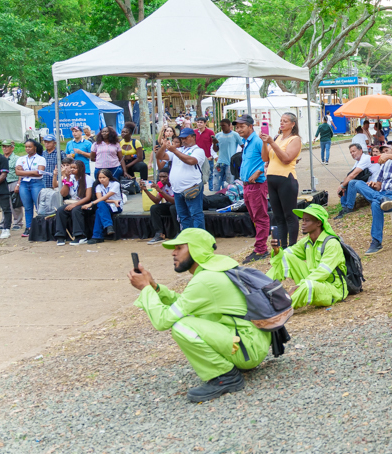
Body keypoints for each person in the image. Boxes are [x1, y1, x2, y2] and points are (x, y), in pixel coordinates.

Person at [129, 228, 272, 402]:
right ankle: (230, 366)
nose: (173, 253)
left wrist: (145, 289)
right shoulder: (213, 271)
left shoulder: (205, 280)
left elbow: (163, 321)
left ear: (196, 249)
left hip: (247, 349)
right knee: (191, 317)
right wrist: (154, 287)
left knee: (181, 326)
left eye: (179, 248)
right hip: (250, 344)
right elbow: (184, 303)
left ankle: (226, 376)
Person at [339, 135, 392, 254]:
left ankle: (376, 242)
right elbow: (379, 185)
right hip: (384, 194)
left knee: (376, 203)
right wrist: (373, 185)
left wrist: (390, 156)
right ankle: (381, 200)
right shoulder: (386, 164)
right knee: (356, 183)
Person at [267, 203, 347, 309]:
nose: (303, 223)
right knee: (285, 258)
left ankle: (277, 309)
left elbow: (322, 273)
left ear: (319, 223)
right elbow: (285, 255)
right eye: (302, 220)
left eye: (307, 220)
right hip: (312, 279)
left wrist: (299, 286)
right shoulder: (306, 242)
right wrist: (277, 250)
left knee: (308, 286)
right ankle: (261, 290)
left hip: (332, 288)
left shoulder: (332, 244)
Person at [262, 113, 302, 250]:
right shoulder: (278, 138)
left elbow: (286, 158)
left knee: (289, 215)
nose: (282, 123)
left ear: (293, 124)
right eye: (281, 121)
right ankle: (283, 246)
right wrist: (265, 142)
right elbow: (265, 157)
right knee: (278, 216)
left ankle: (292, 246)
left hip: (286, 179)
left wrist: (272, 143)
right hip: (272, 179)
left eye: (285, 121)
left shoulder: (295, 139)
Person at [234, 114, 270, 264]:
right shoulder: (246, 142)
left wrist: (259, 171)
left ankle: (261, 249)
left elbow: (268, 159)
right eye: (237, 127)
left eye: (242, 126)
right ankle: (260, 247)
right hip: (247, 186)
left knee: (260, 217)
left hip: (257, 185)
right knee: (255, 217)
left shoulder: (257, 141)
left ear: (250, 126)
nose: (239, 129)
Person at [159, 127, 207, 232]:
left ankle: (199, 238)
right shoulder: (179, 150)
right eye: (182, 138)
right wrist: (163, 146)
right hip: (177, 189)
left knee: (195, 214)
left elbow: (191, 161)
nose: (183, 140)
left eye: (186, 138)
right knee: (183, 215)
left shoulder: (198, 150)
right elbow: (160, 156)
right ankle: (188, 237)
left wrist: (174, 150)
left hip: (192, 187)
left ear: (193, 137)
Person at [55, 158, 93, 245]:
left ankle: (80, 236)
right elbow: (63, 194)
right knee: (60, 210)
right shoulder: (70, 178)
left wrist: (74, 205)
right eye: (71, 167)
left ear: (81, 169)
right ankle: (60, 236)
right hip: (73, 202)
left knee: (76, 210)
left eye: (74, 168)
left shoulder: (88, 179)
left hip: (84, 203)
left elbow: (88, 197)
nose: (72, 169)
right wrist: (67, 179)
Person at [15, 139, 46, 234]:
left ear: (35, 147)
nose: (27, 149)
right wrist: (32, 172)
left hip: (36, 183)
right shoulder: (21, 159)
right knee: (27, 207)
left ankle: (41, 227)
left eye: (30, 147)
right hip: (24, 183)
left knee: (39, 206)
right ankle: (28, 227)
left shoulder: (41, 159)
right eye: (26, 147)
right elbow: (17, 172)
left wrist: (23, 172)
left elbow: (39, 173)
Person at [85, 168, 122, 243]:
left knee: (100, 208)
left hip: (116, 206)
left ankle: (97, 236)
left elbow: (104, 197)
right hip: (106, 205)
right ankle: (108, 226)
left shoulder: (115, 184)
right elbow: (100, 199)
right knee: (100, 208)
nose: (101, 179)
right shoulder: (98, 186)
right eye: (100, 178)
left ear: (109, 177)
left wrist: (91, 203)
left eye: (104, 177)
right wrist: (113, 201)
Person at [144, 170, 177, 244]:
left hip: (180, 205)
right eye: (160, 177)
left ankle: (178, 233)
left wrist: (160, 191)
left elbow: (174, 201)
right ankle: (159, 234)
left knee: (173, 208)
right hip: (170, 204)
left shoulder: (175, 184)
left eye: (164, 177)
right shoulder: (161, 185)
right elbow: (156, 201)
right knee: (154, 208)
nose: (162, 179)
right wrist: (146, 190)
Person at [211, 119, 242, 192]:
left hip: (230, 163)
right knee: (216, 183)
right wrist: (214, 143)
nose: (222, 127)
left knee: (229, 184)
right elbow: (216, 150)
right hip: (220, 162)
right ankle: (216, 197)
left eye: (224, 125)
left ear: (229, 125)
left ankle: (229, 197)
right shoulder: (218, 135)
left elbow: (242, 146)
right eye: (221, 126)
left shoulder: (235, 135)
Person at [0, 140, 24, 231]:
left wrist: (18, 184)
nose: (5, 148)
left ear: (12, 148)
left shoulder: (17, 159)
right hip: (2, 183)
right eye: (3, 146)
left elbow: (20, 173)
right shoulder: (0, 158)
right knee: (4, 204)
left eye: (7, 146)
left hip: (13, 181)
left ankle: (18, 222)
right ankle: (4, 223)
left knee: (15, 204)